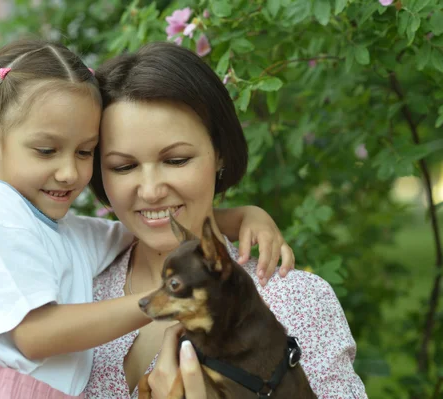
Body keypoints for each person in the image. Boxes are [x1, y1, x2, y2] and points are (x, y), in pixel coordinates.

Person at [0, 39, 294, 398]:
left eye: (84, 152)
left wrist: (244, 216)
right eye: (46, 150)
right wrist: (168, 297)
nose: (69, 172)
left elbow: (146, 227)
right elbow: (35, 335)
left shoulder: (60, 231)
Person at [84, 42, 368, 398]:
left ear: (219, 154)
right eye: (124, 166)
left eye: (176, 160)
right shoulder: (72, 288)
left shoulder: (296, 301)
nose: (152, 190)